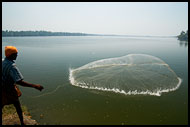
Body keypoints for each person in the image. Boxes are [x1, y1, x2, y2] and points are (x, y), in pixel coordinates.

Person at [2, 46, 44, 125]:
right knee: (17, 105)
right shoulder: (12, 66)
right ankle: (22, 122)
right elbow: (19, 82)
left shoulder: (3, 61)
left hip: (2, 89)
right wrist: (35, 86)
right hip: (9, 90)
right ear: (10, 55)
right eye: (15, 54)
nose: (17, 55)